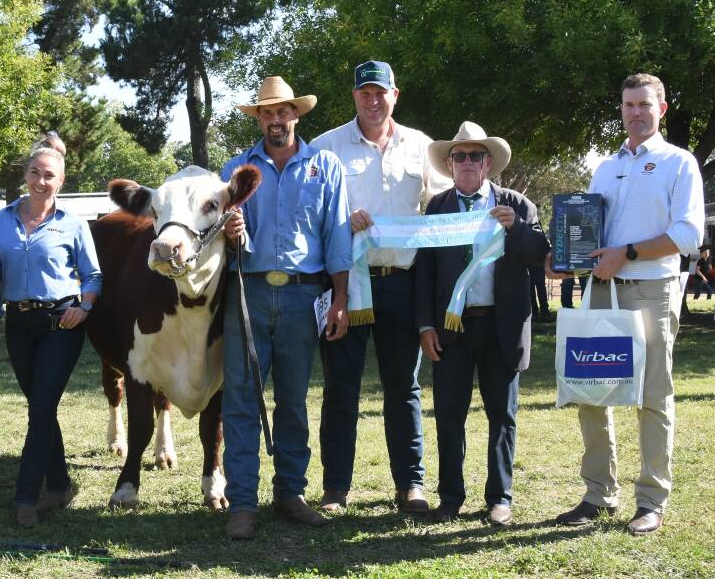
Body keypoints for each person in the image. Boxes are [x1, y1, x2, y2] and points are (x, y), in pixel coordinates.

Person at [549, 73, 704, 536]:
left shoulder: (680, 163)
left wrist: (630, 253)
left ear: (662, 109)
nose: (635, 112)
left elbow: (689, 235)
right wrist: (567, 260)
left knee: (652, 397)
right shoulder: (604, 166)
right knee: (591, 392)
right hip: (601, 289)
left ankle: (651, 500)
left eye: (644, 104)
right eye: (628, 105)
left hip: (652, 289)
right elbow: (589, 233)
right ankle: (599, 493)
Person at [308, 61, 451, 515]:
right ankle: (335, 488)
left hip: (403, 284)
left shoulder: (421, 147)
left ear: (395, 95)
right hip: (346, 286)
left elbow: (448, 204)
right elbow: (307, 214)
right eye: (365, 93)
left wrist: (489, 214)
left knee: (403, 388)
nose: (373, 101)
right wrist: (340, 220)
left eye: (381, 93)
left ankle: (411, 485)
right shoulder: (325, 148)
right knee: (340, 387)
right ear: (354, 97)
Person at [220, 76, 352, 539]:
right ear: (257, 118)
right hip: (247, 292)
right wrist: (229, 232)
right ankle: (241, 503)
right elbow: (215, 236)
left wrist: (339, 298)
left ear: (296, 114)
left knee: (293, 401)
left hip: (303, 295)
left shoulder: (325, 166)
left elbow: (337, 235)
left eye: (283, 112)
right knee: (240, 399)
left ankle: (289, 494)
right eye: (267, 113)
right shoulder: (234, 170)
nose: (276, 121)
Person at [414, 121, 550, 526]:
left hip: (501, 326)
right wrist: (425, 325)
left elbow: (540, 257)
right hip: (451, 327)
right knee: (449, 415)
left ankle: (500, 497)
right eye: (460, 156)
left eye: (476, 155)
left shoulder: (519, 205)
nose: (468, 162)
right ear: (450, 164)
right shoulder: (436, 208)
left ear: (488, 163)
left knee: (502, 415)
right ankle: (451, 496)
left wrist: (517, 228)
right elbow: (424, 273)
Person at [0, 136, 101, 528]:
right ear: (25, 175)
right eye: (34, 173)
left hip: (61, 323)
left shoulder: (74, 224)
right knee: (41, 409)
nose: (40, 181)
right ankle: (60, 484)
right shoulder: (2, 219)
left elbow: (94, 276)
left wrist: (85, 308)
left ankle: (27, 496)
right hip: (18, 324)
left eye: (49, 176)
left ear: (60, 181)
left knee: (41, 409)